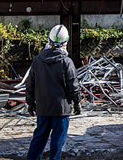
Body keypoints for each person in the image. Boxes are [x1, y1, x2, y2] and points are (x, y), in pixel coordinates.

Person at [25, 24, 80, 160]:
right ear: (65, 42)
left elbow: (30, 85)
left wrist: (30, 104)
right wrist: (77, 103)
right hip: (61, 111)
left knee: (38, 140)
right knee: (57, 143)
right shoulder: (67, 62)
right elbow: (73, 86)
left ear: (48, 40)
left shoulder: (38, 61)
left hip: (43, 109)